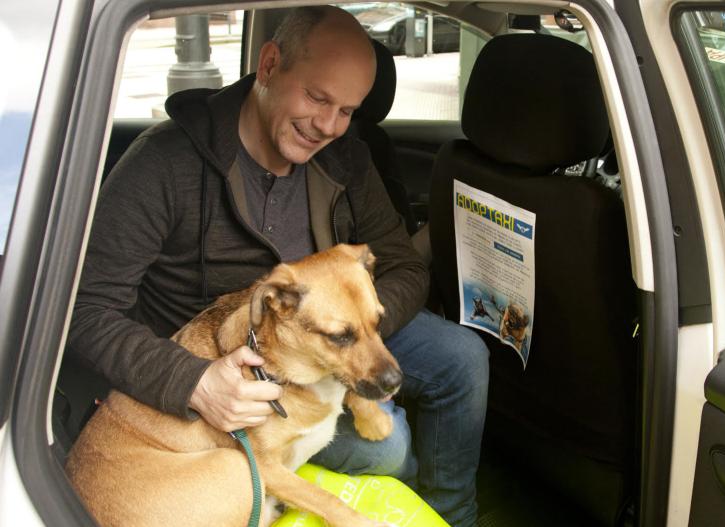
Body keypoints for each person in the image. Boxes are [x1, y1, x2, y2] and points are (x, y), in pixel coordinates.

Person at [68, 6, 488, 527]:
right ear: (268, 65)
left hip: (332, 327)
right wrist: (192, 381)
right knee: (390, 447)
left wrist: (358, 329)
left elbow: (405, 267)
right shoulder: (163, 165)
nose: (328, 126)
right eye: (317, 98)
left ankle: (456, 517)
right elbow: (83, 310)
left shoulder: (347, 157)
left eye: (347, 111)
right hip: (221, 364)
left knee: (464, 359)